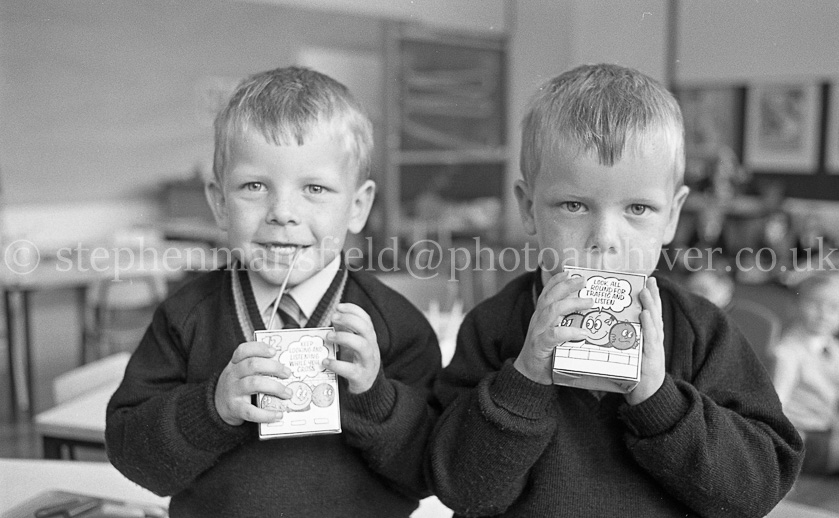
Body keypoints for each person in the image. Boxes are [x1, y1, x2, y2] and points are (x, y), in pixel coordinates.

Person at [427, 64, 803, 517]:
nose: (605, 237)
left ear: (671, 216)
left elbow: (757, 489)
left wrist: (660, 402)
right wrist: (524, 379)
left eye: (638, 208)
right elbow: (460, 490)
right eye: (574, 205)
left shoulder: (701, 332)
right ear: (528, 208)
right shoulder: (492, 327)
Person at [106, 67, 442, 517]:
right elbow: (133, 455)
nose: (282, 212)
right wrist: (213, 409)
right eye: (255, 186)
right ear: (220, 203)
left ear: (358, 206)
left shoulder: (396, 326)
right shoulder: (186, 316)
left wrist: (374, 398)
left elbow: (431, 471)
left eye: (315, 188)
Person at [772, 272, 839, 474]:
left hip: (826, 430)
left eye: (834, 308)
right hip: (799, 434)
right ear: (796, 305)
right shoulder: (787, 351)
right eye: (815, 304)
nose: (824, 313)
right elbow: (778, 402)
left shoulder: (834, 349)